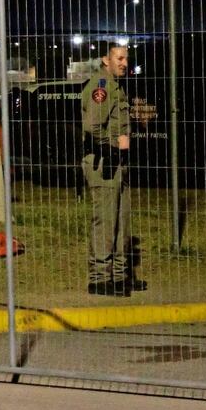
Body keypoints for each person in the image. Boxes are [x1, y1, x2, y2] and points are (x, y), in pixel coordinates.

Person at [81, 42, 146, 296]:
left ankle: (119, 276)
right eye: (118, 58)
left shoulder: (116, 86)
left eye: (126, 58)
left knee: (122, 221)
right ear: (105, 60)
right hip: (103, 162)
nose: (124, 63)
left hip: (118, 162)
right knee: (106, 222)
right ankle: (99, 278)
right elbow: (93, 126)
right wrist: (108, 148)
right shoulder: (102, 87)